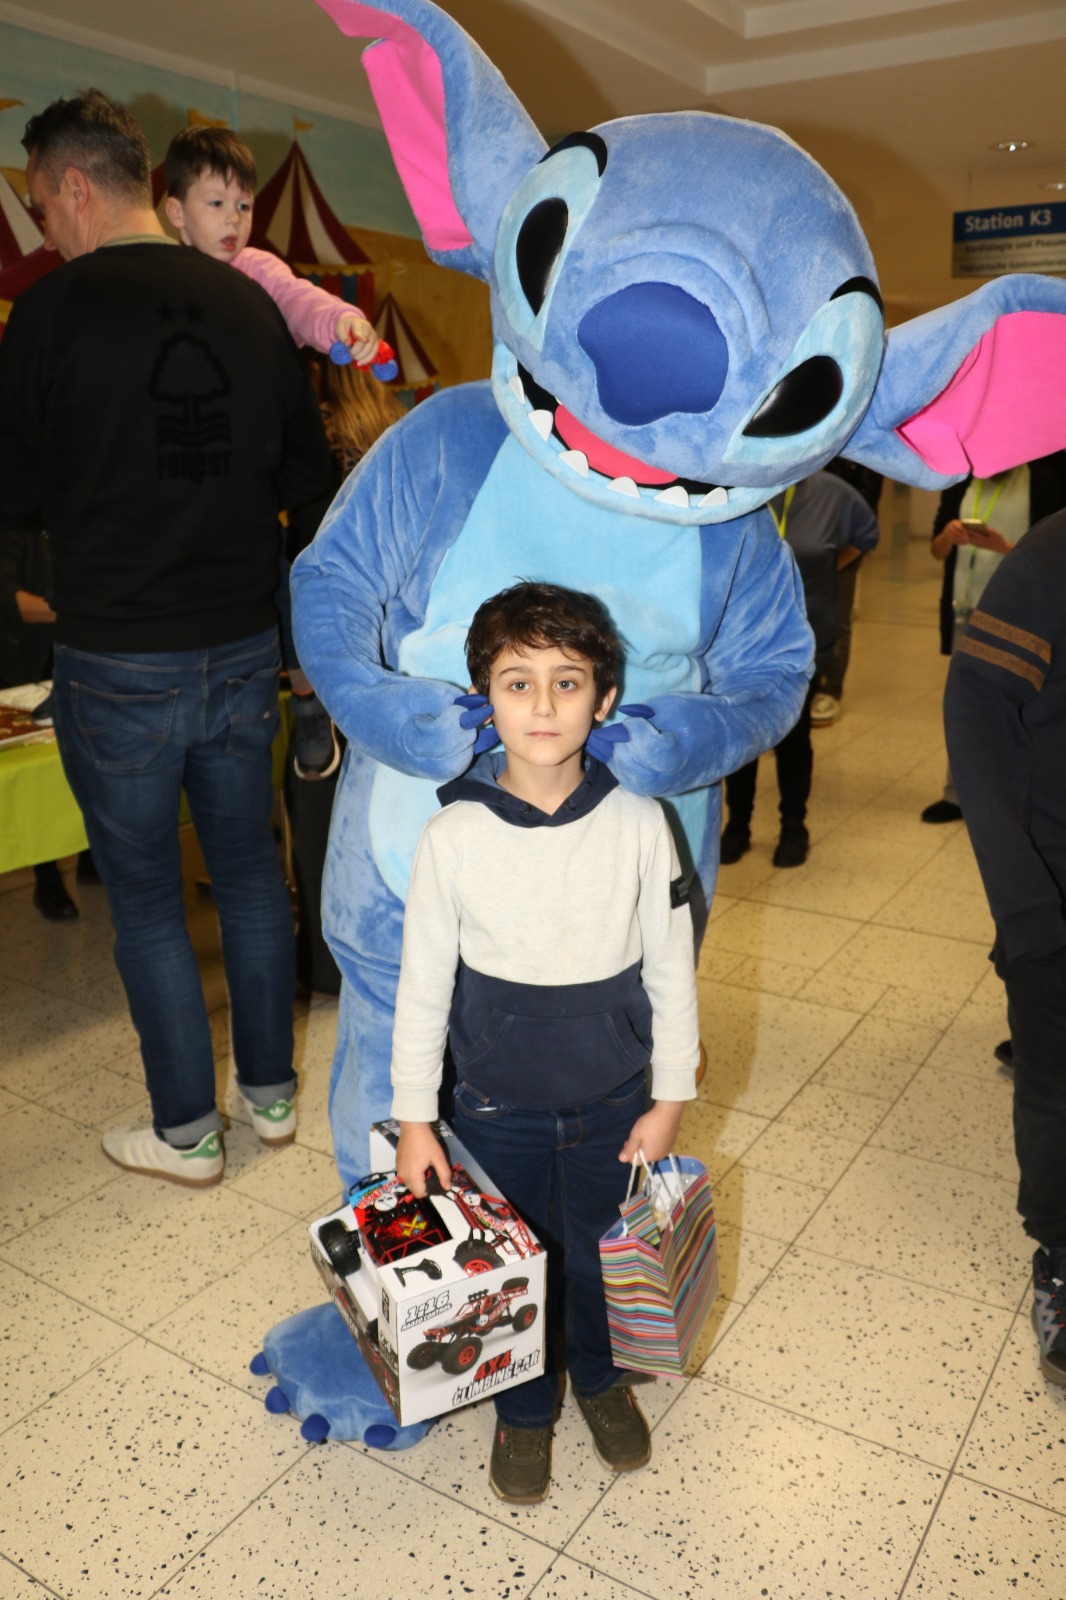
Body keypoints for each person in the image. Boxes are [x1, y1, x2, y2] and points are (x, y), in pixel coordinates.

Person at [0, 90, 331, 1185]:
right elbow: (305, 474)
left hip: (118, 655)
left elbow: (13, 492)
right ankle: (271, 1096)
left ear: (74, 186)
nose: (44, 225)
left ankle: (187, 1130)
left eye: (40, 204)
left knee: (144, 894)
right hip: (240, 647)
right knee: (249, 870)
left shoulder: (49, 313)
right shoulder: (249, 305)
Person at [390, 581, 700, 1505]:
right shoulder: (451, 834)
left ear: (604, 699)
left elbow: (672, 969)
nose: (542, 705)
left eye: (567, 682)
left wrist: (671, 1098)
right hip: (495, 1108)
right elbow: (422, 988)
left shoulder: (640, 822)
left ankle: (600, 1380)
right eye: (517, 683)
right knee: (510, 1270)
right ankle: (523, 1408)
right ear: (483, 697)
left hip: (614, 1100)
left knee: (602, 1255)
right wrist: (416, 1121)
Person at [163, 126, 380, 779]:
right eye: (215, 204)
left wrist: (340, 321)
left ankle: (308, 699)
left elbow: (298, 300)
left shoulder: (256, 270)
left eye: (243, 206)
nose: (233, 220)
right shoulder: (162, 282)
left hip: (257, 464)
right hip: (187, 465)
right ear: (175, 212)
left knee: (285, 578)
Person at [943, 507, 1066, 1387]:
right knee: (1057, 1087)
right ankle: (1060, 1252)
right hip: (1054, 896)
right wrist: (1025, 908)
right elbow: (976, 709)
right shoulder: (1053, 557)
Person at [720, 471, 879, 867]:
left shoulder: (832, 494)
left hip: (804, 637)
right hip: (744, 638)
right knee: (744, 733)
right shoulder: (741, 490)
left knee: (794, 735)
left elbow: (865, 535)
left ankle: (794, 826)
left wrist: (826, 569)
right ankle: (738, 824)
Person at [921, 454, 1066, 823]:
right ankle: (956, 795)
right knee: (966, 705)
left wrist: (1004, 547)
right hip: (965, 612)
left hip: (1021, 617)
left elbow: (1052, 557)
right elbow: (936, 551)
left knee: (1020, 708)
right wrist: (947, 537)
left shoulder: (1043, 483)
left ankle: (1017, 797)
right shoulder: (959, 483)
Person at [0, 526, 83, 919]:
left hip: (77, 652)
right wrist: (79, 614)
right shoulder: (13, 524)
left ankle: (90, 856)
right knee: (37, 774)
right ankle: (46, 877)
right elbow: (7, 598)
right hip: (20, 661)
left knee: (84, 754)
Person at [810, 458, 883, 725]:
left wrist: (838, 560)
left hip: (844, 544)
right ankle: (806, 686)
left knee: (839, 619)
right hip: (809, 542)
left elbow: (866, 514)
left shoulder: (864, 458)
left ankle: (830, 689)